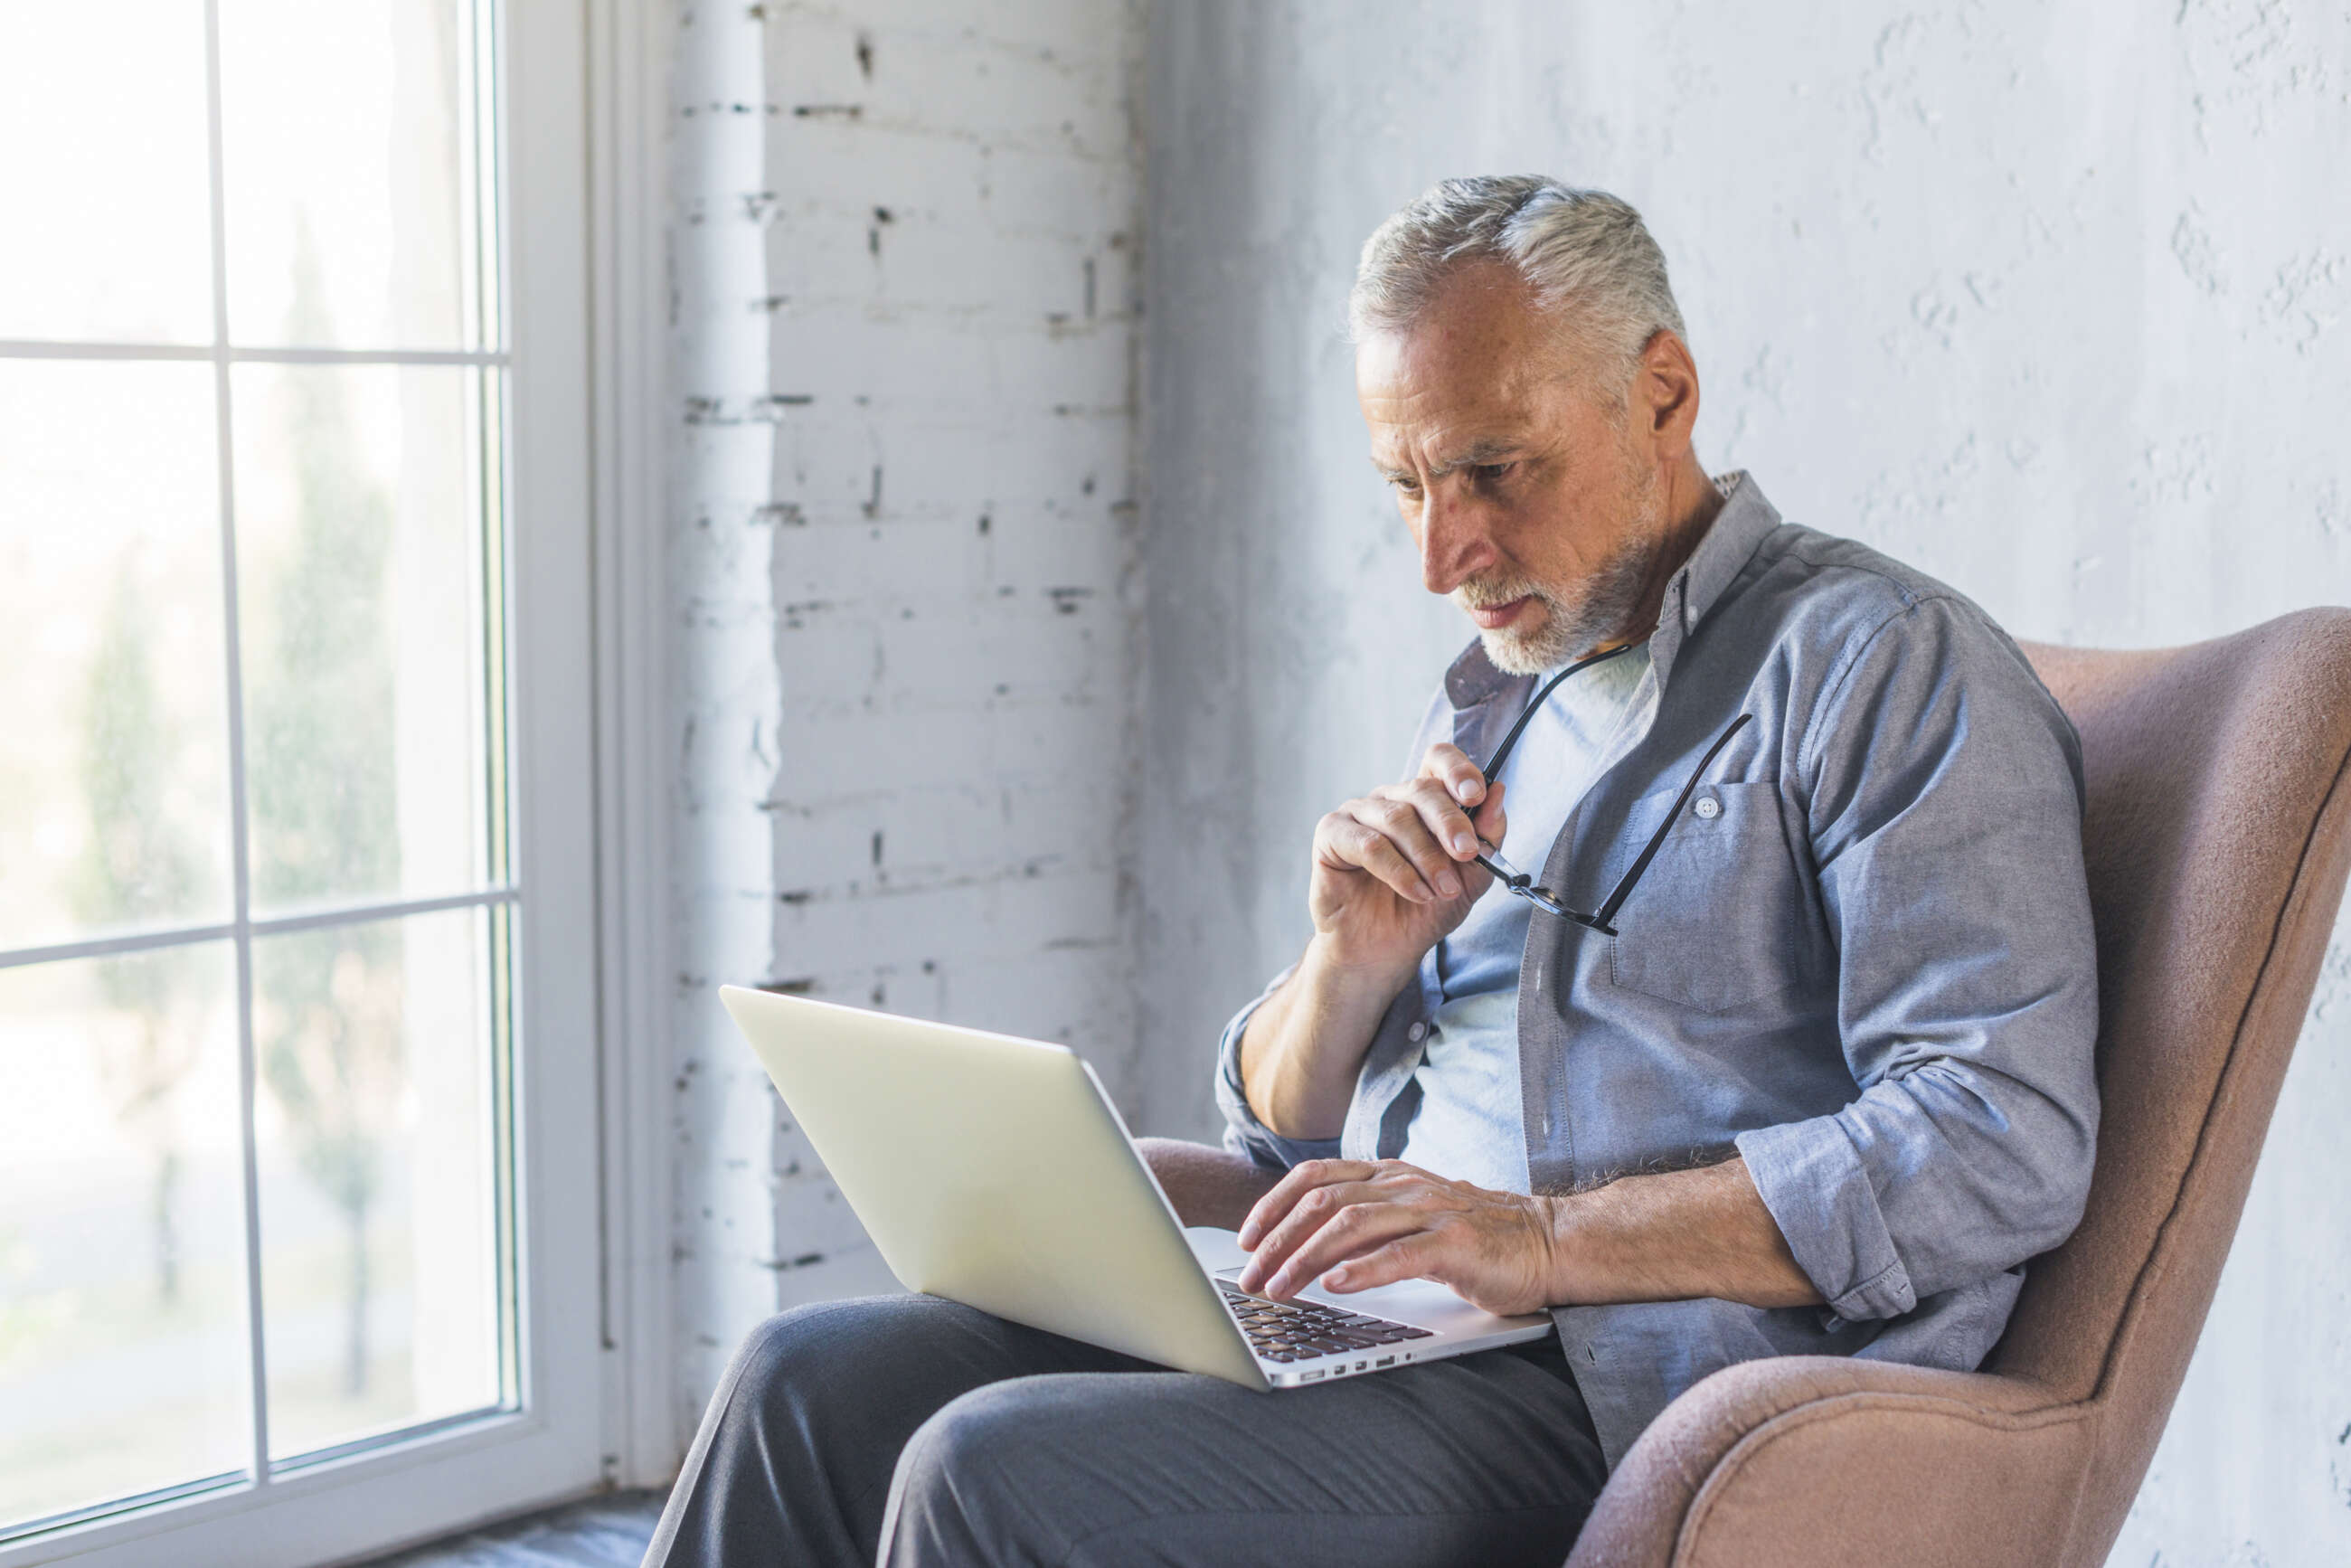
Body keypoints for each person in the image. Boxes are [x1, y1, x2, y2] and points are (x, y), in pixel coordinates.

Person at [640, 175, 2100, 1568]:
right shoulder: (1505, 687)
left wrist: (1533, 1237)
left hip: (1616, 1377)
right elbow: (1283, 1139)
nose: (1441, 556)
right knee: (802, 1382)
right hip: (1379, 1312)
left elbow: (1998, 1134)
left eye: (1492, 470)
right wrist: (1347, 965)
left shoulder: (1881, 668)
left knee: (986, 1466)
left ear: (1662, 392)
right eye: (1405, 484)